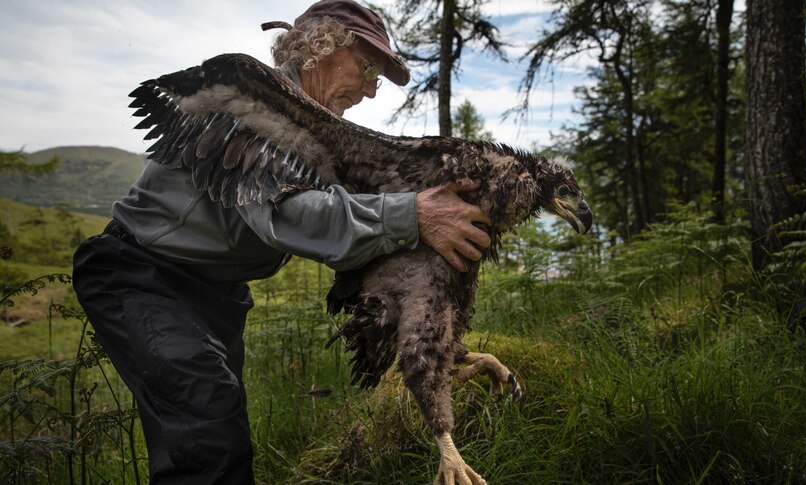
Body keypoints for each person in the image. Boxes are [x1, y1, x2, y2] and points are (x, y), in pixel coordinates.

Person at [71, 1, 491, 483]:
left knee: (202, 433)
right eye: (368, 68)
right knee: (208, 428)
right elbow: (287, 214)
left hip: (217, 293)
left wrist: (437, 341)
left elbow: (354, 227)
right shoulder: (256, 106)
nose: (372, 90)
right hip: (142, 274)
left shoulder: (316, 131)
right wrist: (411, 214)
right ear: (323, 46)